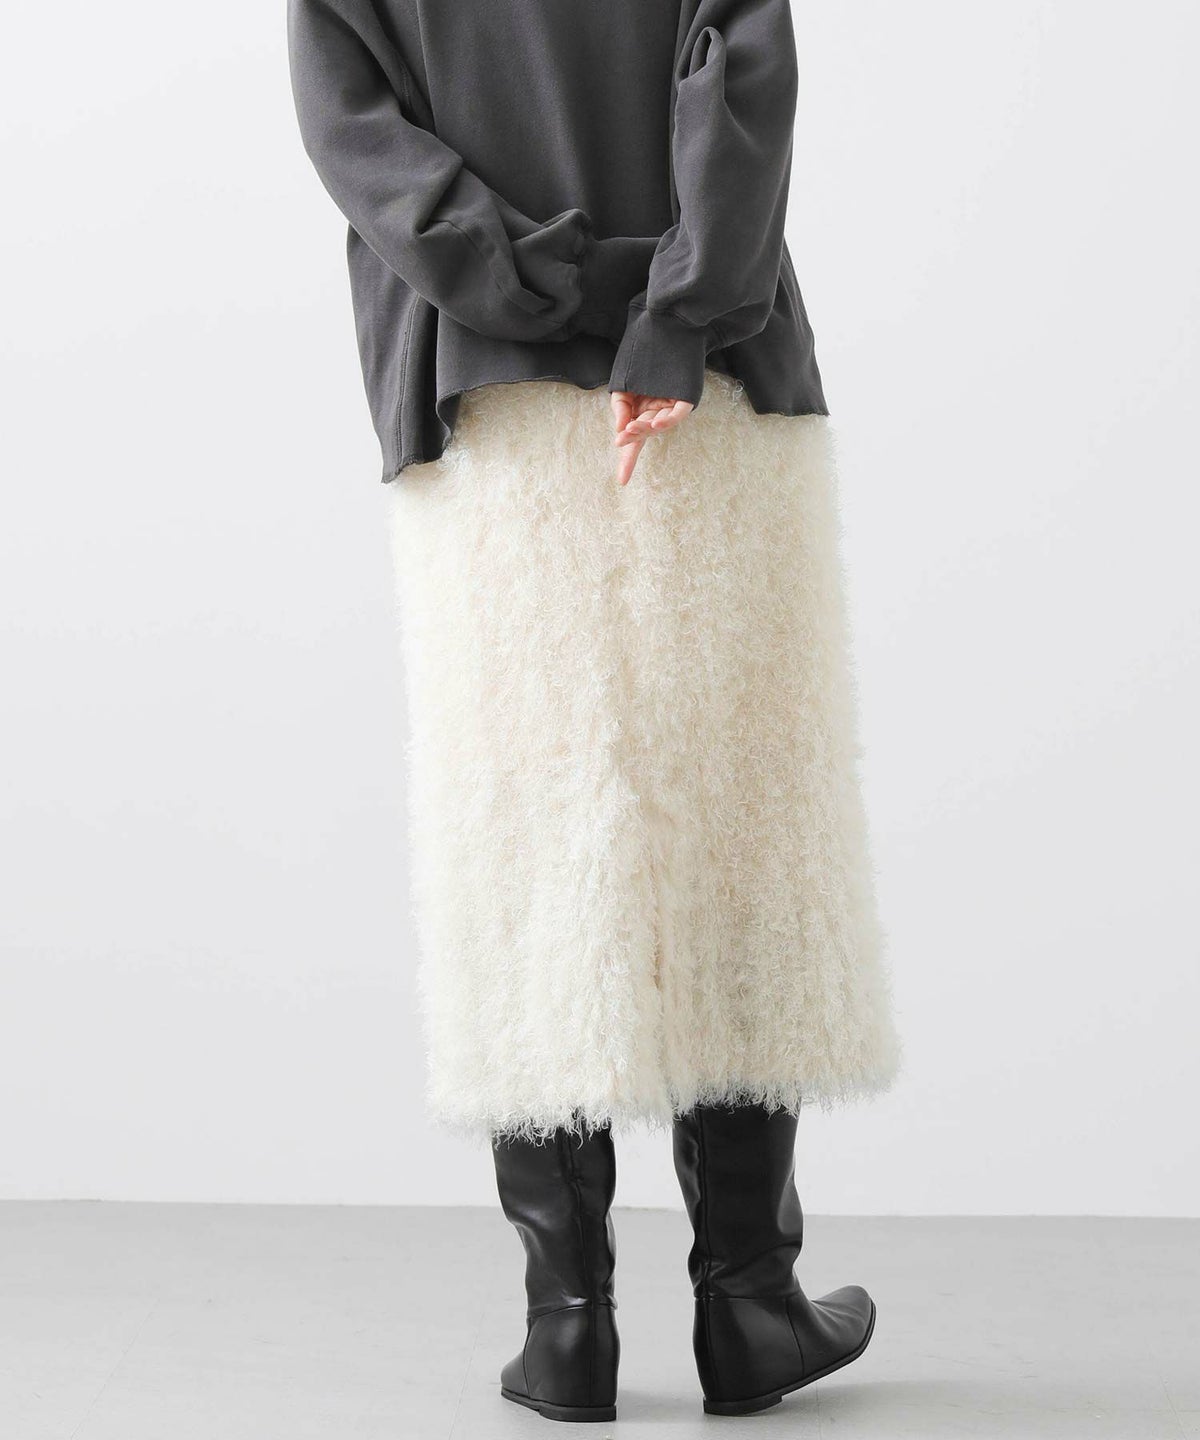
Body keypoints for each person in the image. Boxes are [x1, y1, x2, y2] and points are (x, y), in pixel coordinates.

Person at [287, 0, 901, 1421]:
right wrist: (671, 314)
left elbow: (357, 132)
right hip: (712, 380)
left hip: (479, 392)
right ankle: (748, 1301)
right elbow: (741, 82)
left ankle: (568, 1324)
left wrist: (517, 279)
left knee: (528, 837)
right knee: (743, 827)